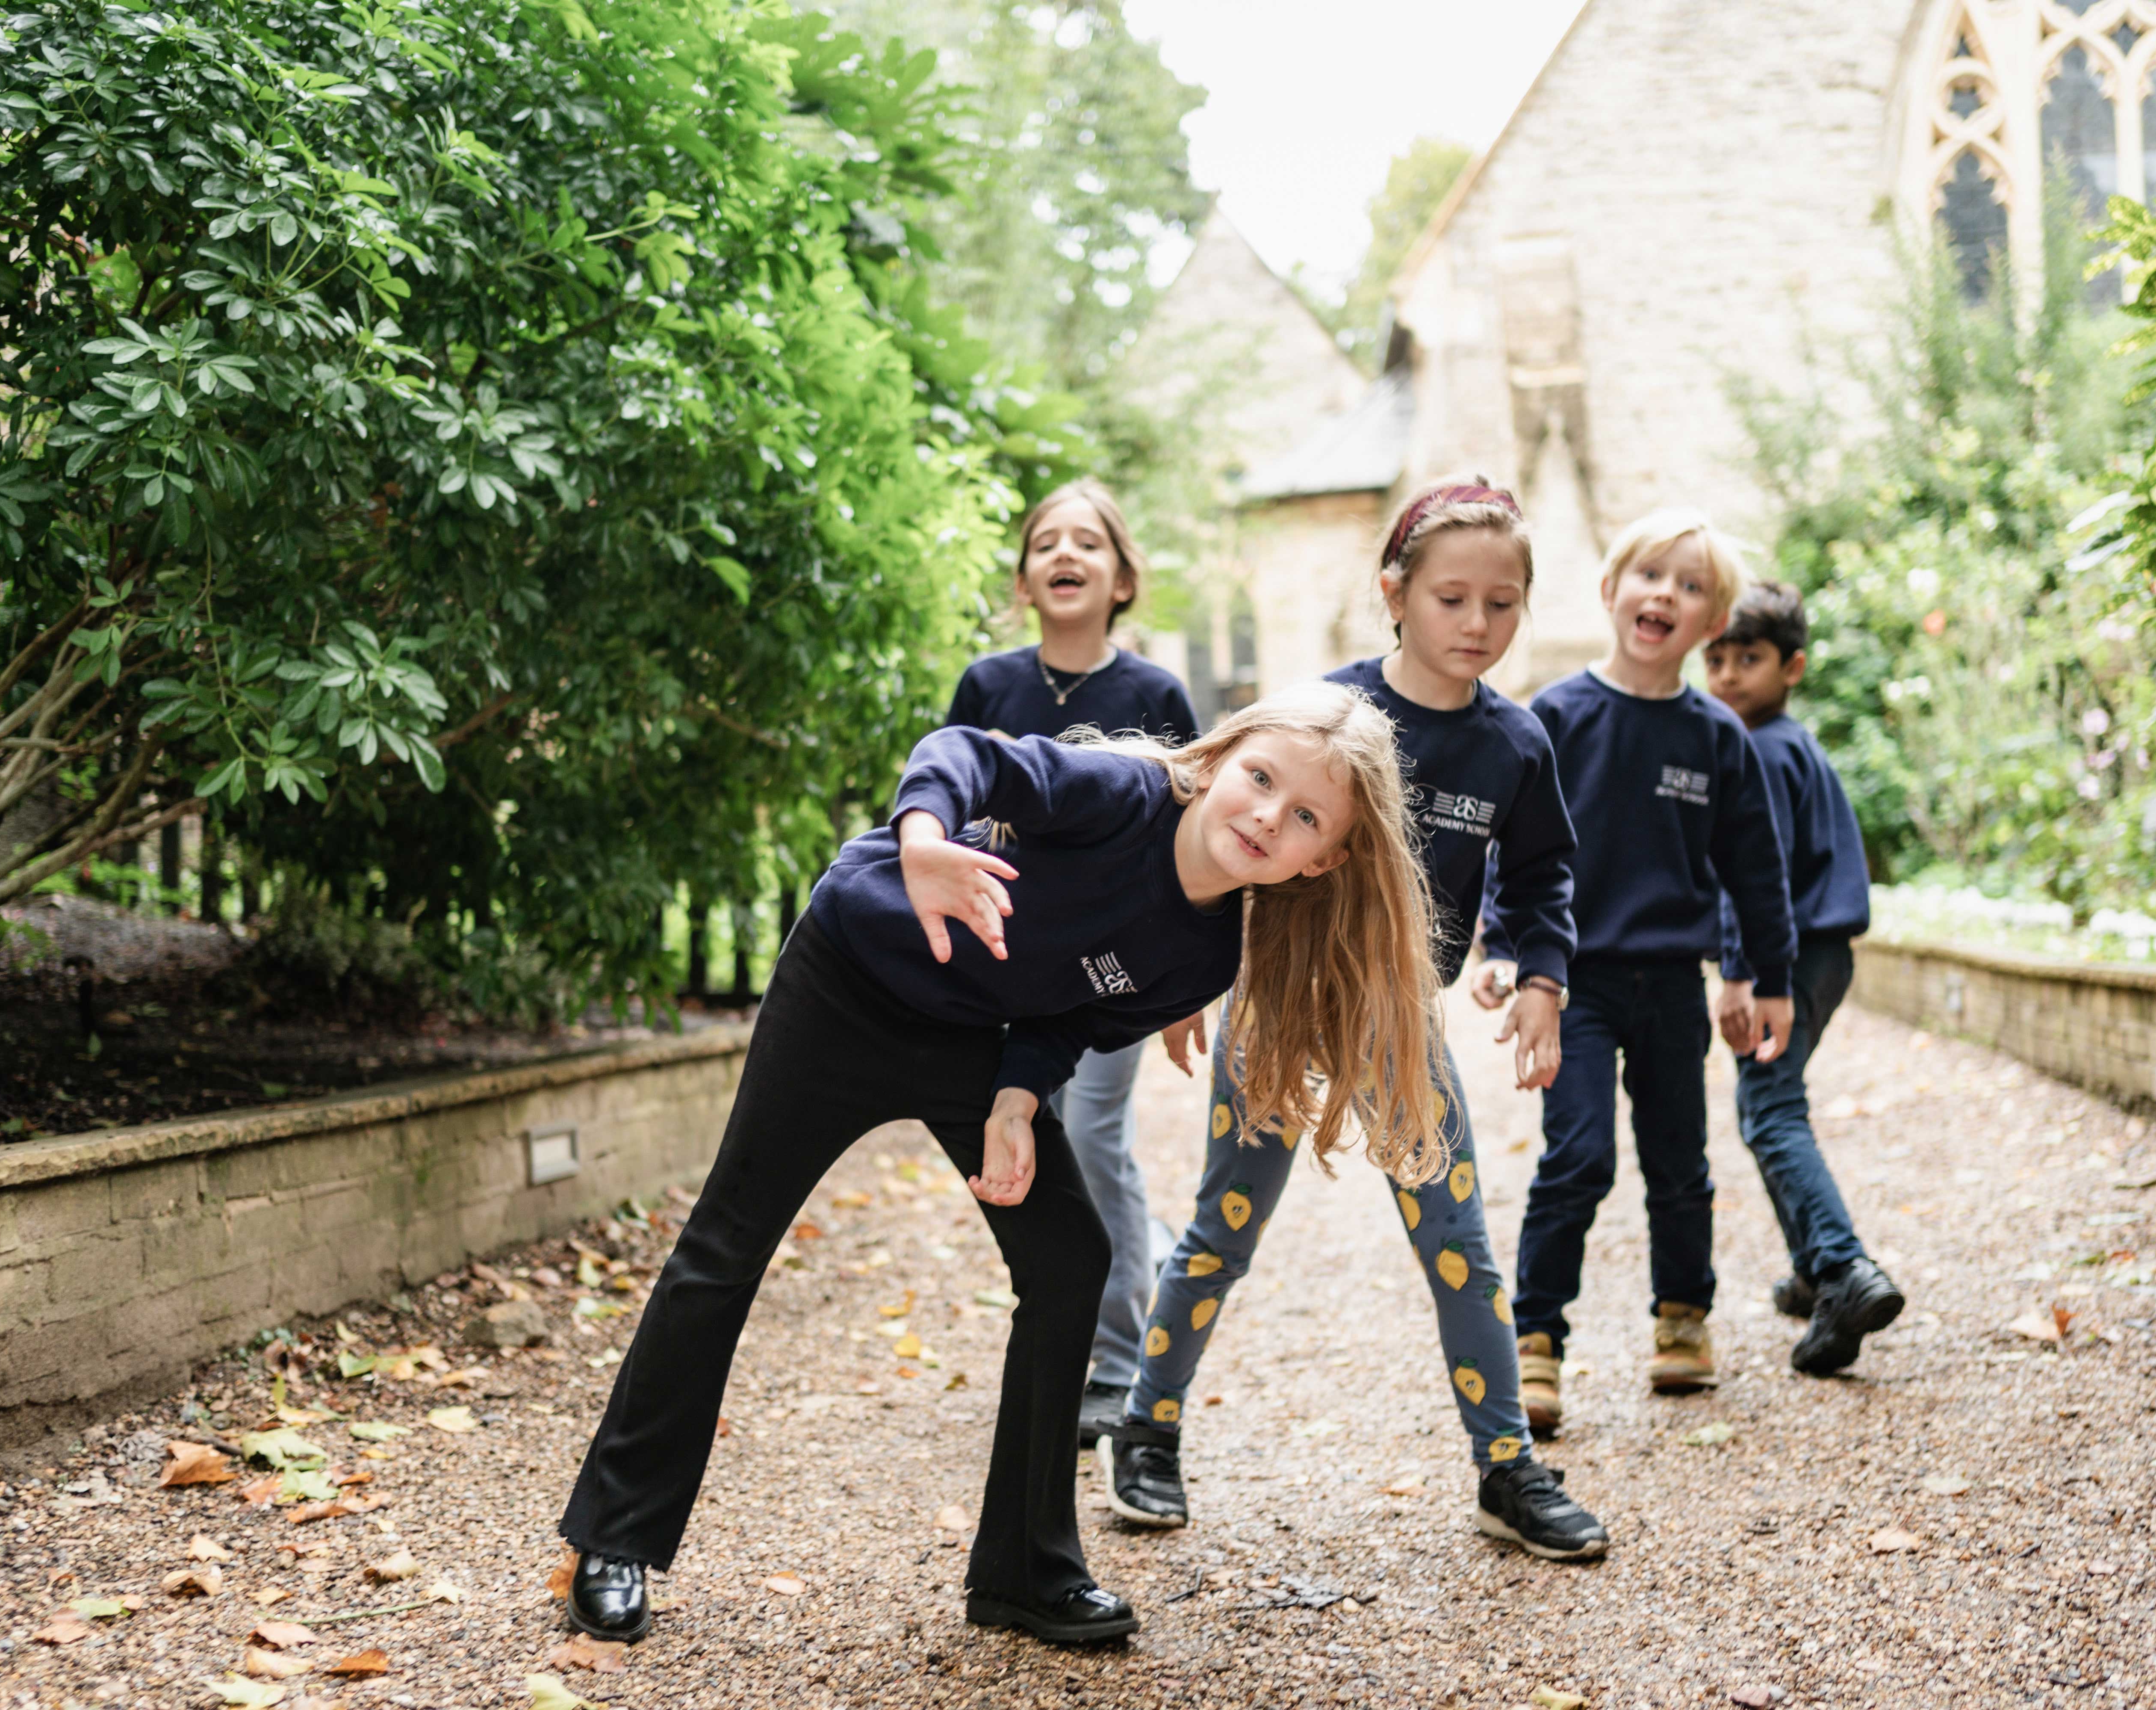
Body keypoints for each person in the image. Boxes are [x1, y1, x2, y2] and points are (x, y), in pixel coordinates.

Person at [558, 683, 1447, 1649]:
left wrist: (1018, 1100)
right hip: (848, 979)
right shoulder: (1121, 796)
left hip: (969, 1038)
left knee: (1071, 1258)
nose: (1270, 815)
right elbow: (966, 753)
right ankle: (613, 1538)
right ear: (1217, 759)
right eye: (1262, 778)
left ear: (1326, 860)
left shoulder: (1203, 959)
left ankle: (1028, 1569)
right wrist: (924, 845)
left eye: (1307, 816)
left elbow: (1071, 1017)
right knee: (727, 1243)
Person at [1098, 480, 1611, 1563]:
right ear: (1396, 592)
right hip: (1279, 1001)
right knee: (1224, 1228)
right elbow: (1222, 840)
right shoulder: (1323, 712)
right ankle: (1146, 1427)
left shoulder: (1516, 744)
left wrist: (1542, 975)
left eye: (1503, 603)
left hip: (1399, 1020)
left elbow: (1544, 874)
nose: (1477, 622)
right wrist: (1186, 976)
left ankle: (1507, 1467)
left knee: (1460, 1247)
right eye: (1452, 598)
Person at [1476, 507, 1796, 1432]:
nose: (1666, 595)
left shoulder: (1717, 737)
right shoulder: (1556, 716)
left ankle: (1683, 1319)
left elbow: (1755, 868)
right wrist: (1504, 945)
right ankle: (1535, 1339)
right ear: (1612, 590)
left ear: (1711, 624)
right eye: (1651, 576)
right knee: (1577, 1157)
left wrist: (1765, 977)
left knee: (1679, 1163)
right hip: (1570, 983)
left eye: (1690, 587)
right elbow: (1514, 844)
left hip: (1671, 988)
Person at [944, 479, 1199, 1448]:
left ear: (1122, 579)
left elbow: (1189, 836)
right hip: (1008, 956)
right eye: (1046, 541)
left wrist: (1188, 980)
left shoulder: (1156, 696)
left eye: (1088, 541)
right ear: (1023, 581)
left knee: (1095, 1135)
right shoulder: (987, 685)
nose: (1065, 553)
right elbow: (956, 803)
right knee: (1029, 1137)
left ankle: (1119, 1359)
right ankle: (1061, 1327)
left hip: (1112, 962)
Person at [1702, 581, 1905, 1373]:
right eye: (1716, 659)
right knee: (1766, 1103)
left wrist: (1743, 974)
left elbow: (1757, 878)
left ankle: (1842, 1269)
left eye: (1748, 659)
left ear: (1793, 667)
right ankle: (1815, 1271)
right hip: (1820, 953)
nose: (1728, 676)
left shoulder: (1758, 751)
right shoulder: (1788, 742)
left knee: (1771, 1106)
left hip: (1787, 956)